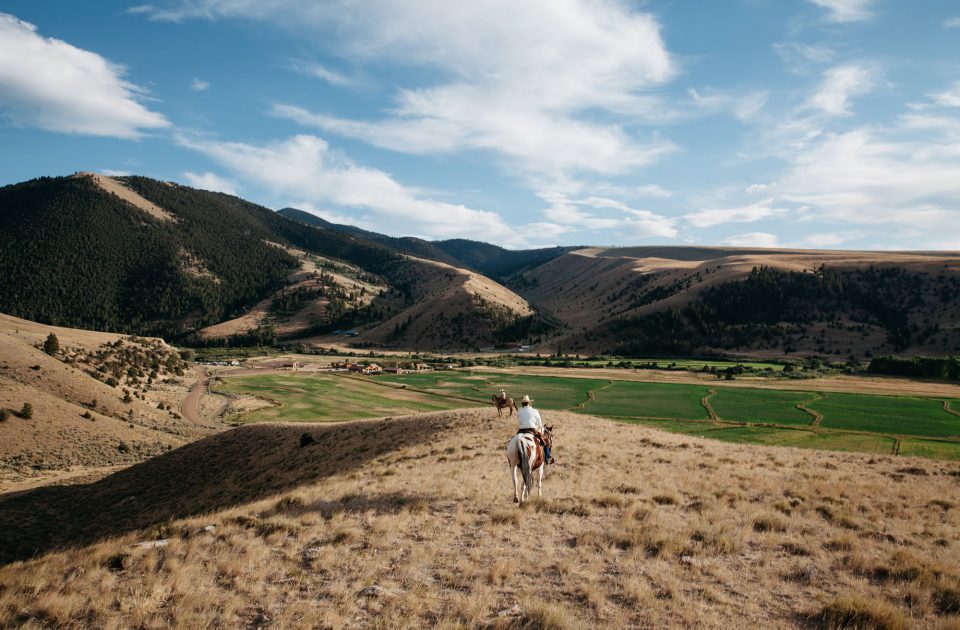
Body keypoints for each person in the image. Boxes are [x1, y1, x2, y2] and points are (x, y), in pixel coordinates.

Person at [516, 394, 553, 464]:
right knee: (545, 440)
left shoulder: (519, 411)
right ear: (529, 403)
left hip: (521, 430)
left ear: (522, 403)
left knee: (514, 440)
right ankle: (547, 457)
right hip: (532, 429)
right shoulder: (534, 411)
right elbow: (540, 424)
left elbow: (519, 421)